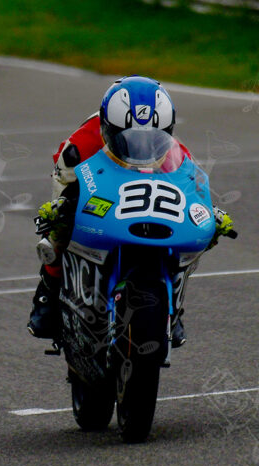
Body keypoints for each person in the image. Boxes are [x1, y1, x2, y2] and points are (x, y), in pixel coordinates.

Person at [27, 75, 234, 345]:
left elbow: (190, 188)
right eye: (127, 136)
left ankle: (173, 308)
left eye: (154, 137)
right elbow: (63, 186)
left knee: (191, 236)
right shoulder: (79, 147)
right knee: (59, 226)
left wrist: (209, 214)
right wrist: (61, 208)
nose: (141, 143)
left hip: (145, 192)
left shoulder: (178, 151)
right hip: (93, 176)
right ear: (107, 126)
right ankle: (48, 293)